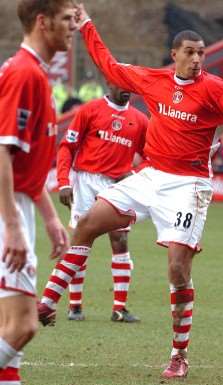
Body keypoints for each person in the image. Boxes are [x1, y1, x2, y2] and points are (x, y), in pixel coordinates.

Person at [37, 3, 223, 380]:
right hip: (149, 176)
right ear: (174, 55)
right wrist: (87, 26)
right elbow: (110, 67)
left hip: (189, 185)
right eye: (190, 53)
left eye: (202, 53)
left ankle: (179, 353)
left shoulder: (213, 90)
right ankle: (47, 303)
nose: (197, 59)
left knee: (178, 268)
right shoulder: (154, 80)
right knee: (87, 223)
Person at [0, 1, 75, 383]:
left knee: (9, 327)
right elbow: (1, 151)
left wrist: (49, 218)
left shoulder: (36, 75)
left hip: (18, 205)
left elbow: (26, 163)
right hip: (6, 209)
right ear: (43, 22)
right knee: (24, 325)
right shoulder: (23, 74)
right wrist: (12, 225)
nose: (73, 26)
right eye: (66, 19)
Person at [57, 81, 148, 322]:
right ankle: (74, 305)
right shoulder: (89, 110)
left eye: (130, 84)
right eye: (121, 84)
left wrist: (135, 174)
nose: (126, 88)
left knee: (120, 239)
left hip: (118, 185)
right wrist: (64, 181)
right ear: (109, 83)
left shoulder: (140, 120)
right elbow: (67, 146)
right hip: (86, 180)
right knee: (80, 240)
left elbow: (151, 156)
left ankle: (119, 308)